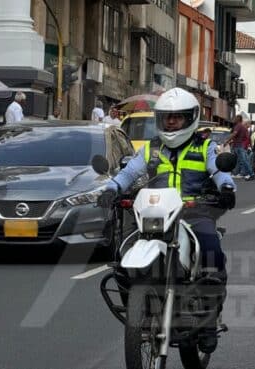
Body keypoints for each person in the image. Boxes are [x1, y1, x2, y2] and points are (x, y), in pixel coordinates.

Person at [97, 87, 236, 353]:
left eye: (177, 117)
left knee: (210, 249)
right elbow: (128, 173)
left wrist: (227, 189)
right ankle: (138, 309)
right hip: (155, 213)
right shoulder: (151, 148)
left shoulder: (205, 146)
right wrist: (111, 189)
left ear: (190, 119)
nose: (171, 122)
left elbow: (219, 171)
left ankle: (207, 323)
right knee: (123, 252)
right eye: (167, 117)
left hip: (194, 211)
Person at [225, 112, 255, 181]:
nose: (234, 119)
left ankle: (250, 174)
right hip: (239, 145)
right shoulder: (243, 127)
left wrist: (227, 141)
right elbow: (246, 137)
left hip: (238, 146)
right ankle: (243, 173)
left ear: (238, 119)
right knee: (240, 160)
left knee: (242, 160)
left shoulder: (238, 126)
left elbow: (234, 134)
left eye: (235, 118)